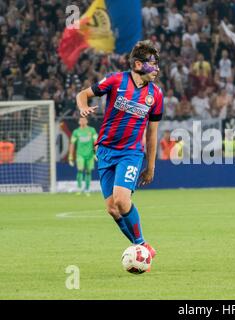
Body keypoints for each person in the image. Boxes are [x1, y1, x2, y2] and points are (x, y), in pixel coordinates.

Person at [75, 41, 163, 272]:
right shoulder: (116, 80)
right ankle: (141, 246)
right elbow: (83, 94)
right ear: (138, 64)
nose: (157, 69)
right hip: (105, 151)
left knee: (122, 200)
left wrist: (151, 166)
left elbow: (152, 134)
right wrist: (83, 106)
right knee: (112, 209)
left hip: (131, 153)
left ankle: (141, 246)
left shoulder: (156, 95)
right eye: (153, 64)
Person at [68, 117, 98, 195]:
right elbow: (72, 144)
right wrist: (70, 156)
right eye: (81, 120)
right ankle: (79, 188)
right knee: (80, 170)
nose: (82, 121)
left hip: (90, 155)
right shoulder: (76, 132)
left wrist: (95, 153)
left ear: (87, 121)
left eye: (84, 120)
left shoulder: (92, 130)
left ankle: (87, 189)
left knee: (88, 171)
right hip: (80, 155)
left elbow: (96, 142)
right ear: (79, 122)